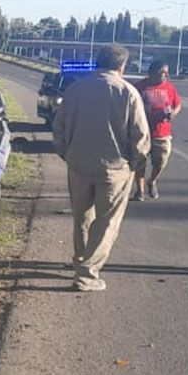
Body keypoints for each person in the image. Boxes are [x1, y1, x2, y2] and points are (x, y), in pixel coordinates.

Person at [53, 44, 150, 292]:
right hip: (114, 169)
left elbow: (59, 128)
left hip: (78, 164)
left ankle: (80, 260)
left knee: (82, 218)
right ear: (122, 66)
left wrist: (67, 154)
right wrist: (136, 164)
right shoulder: (127, 92)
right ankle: (87, 274)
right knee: (106, 223)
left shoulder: (74, 90)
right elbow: (140, 137)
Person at [132, 59, 182, 201]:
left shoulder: (170, 88)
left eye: (167, 73)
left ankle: (152, 180)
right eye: (162, 73)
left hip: (162, 132)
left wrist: (173, 113)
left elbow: (177, 104)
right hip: (142, 132)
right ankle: (140, 191)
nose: (165, 76)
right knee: (140, 162)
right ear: (152, 73)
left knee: (161, 161)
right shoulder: (140, 87)